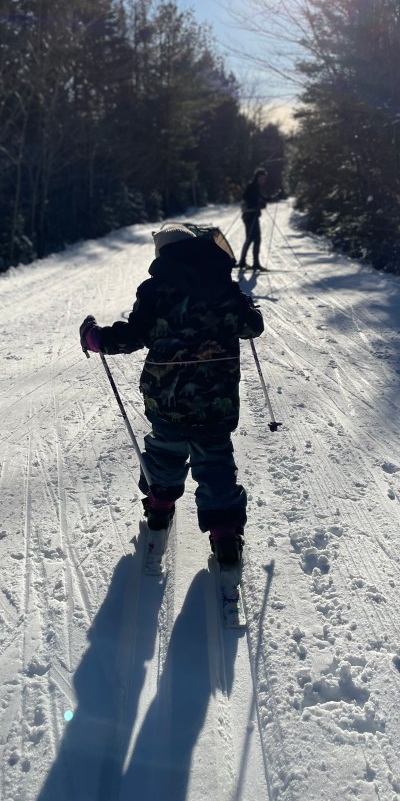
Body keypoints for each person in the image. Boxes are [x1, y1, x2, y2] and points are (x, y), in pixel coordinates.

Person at [79, 223, 264, 570]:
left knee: (165, 451)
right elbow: (252, 327)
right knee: (215, 463)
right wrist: (248, 308)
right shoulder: (223, 285)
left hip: (167, 398)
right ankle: (224, 534)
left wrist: (95, 338)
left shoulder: (155, 290)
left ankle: (160, 508)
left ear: (163, 253)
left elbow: (132, 336)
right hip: (216, 399)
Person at [238, 167, 269, 271]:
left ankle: (247, 262)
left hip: (253, 216)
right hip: (249, 216)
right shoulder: (251, 187)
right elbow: (247, 199)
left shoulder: (256, 187)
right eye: (261, 178)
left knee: (254, 238)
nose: (263, 180)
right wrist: (258, 204)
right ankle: (249, 263)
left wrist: (268, 199)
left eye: (264, 178)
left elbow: (261, 199)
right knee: (253, 238)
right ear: (257, 177)